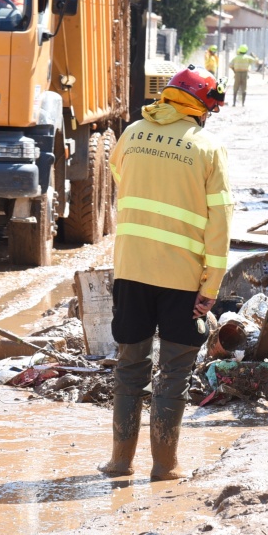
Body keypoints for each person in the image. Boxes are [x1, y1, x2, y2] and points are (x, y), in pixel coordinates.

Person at [101, 66, 232, 480]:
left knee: (129, 367)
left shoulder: (133, 133)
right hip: (183, 279)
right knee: (174, 372)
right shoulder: (208, 148)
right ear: (201, 106)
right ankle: (165, 466)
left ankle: (120, 462)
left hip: (131, 270)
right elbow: (220, 223)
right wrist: (211, 286)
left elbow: (120, 179)